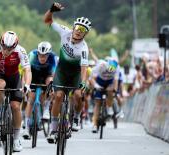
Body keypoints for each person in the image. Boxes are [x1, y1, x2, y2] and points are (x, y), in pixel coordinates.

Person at [44, 2, 91, 143]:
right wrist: (51, 10)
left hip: (76, 73)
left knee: (78, 94)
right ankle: (53, 129)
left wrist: (83, 82)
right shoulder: (65, 32)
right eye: (77, 28)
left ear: (85, 34)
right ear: (74, 27)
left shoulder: (84, 48)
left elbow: (84, 67)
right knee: (58, 96)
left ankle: (76, 116)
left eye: (82, 30)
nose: (78, 31)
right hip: (62, 71)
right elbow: (47, 20)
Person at [0, 31, 32, 152]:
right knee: (0, 85)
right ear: (0, 43)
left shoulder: (21, 51)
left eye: (9, 49)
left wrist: (27, 84)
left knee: (16, 106)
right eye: (4, 47)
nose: (5, 51)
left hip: (14, 77)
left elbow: (27, 70)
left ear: (15, 46)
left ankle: (16, 139)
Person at [22, 41, 58, 139]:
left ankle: (46, 108)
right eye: (40, 55)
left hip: (47, 75)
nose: (42, 58)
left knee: (50, 83)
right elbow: (26, 72)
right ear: (37, 53)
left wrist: (52, 87)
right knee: (31, 100)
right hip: (33, 75)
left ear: (49, 54)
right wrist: (25, 85)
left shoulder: (53, 58)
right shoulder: (32, 56)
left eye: (45, 56)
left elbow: (54, 75)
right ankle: (26, 127)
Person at [89, 58, 120, 133]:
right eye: (109, 70)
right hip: (100, 81)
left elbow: (116, 81)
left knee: (110, 90)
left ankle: (109, 108)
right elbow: (91, 79)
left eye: (112, 71)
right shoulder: (100, 65)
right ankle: (95, 125)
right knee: (97, 103)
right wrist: (96, 86)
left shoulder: (116, 68)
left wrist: (115, 91)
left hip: (110, 82)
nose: (109, 71)